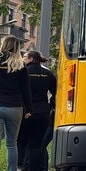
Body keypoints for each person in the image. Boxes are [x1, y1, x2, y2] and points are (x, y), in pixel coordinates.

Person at [17, 51, 56, 171]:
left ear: (30, 58)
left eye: (24, 56)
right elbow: (56, 92)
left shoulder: (23, 72)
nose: (22, 59)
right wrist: (50, 106)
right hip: (42, 112)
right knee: (36, 144)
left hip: (25, 112)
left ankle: (21, 166)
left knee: (21, 141)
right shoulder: (48, 73)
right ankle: (35, 168)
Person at [0, 35, 32, 171]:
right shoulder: (21, 65)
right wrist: (29, 109)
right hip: (15, 107)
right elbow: (26, 90)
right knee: (11, 144)